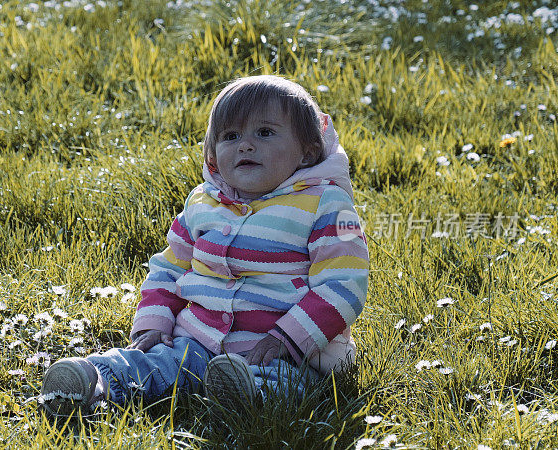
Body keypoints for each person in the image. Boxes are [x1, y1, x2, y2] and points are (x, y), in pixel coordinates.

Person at [39, 75, 370, 417]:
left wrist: (286, 338)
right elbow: (170, 269)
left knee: (284, 384)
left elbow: (342, 284)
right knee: (155, 363)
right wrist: (155, 323)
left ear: (308, 150)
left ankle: (246, 395)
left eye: (265, 132)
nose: (245, 145)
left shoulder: (326, 205)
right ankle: (94, 382)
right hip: (197, 340)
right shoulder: (203, 204)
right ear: (213, 154)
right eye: (230, 136)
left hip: (281, 352)